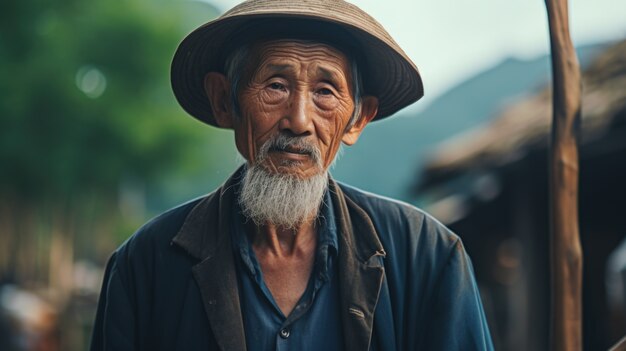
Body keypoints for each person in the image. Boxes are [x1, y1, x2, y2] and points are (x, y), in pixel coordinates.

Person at [90, 0, 494, 350]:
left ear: (357, 120)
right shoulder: (144, 266)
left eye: (325, 91)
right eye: (276, 85)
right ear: (223, 101)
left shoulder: (428, 257)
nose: (299, 121)